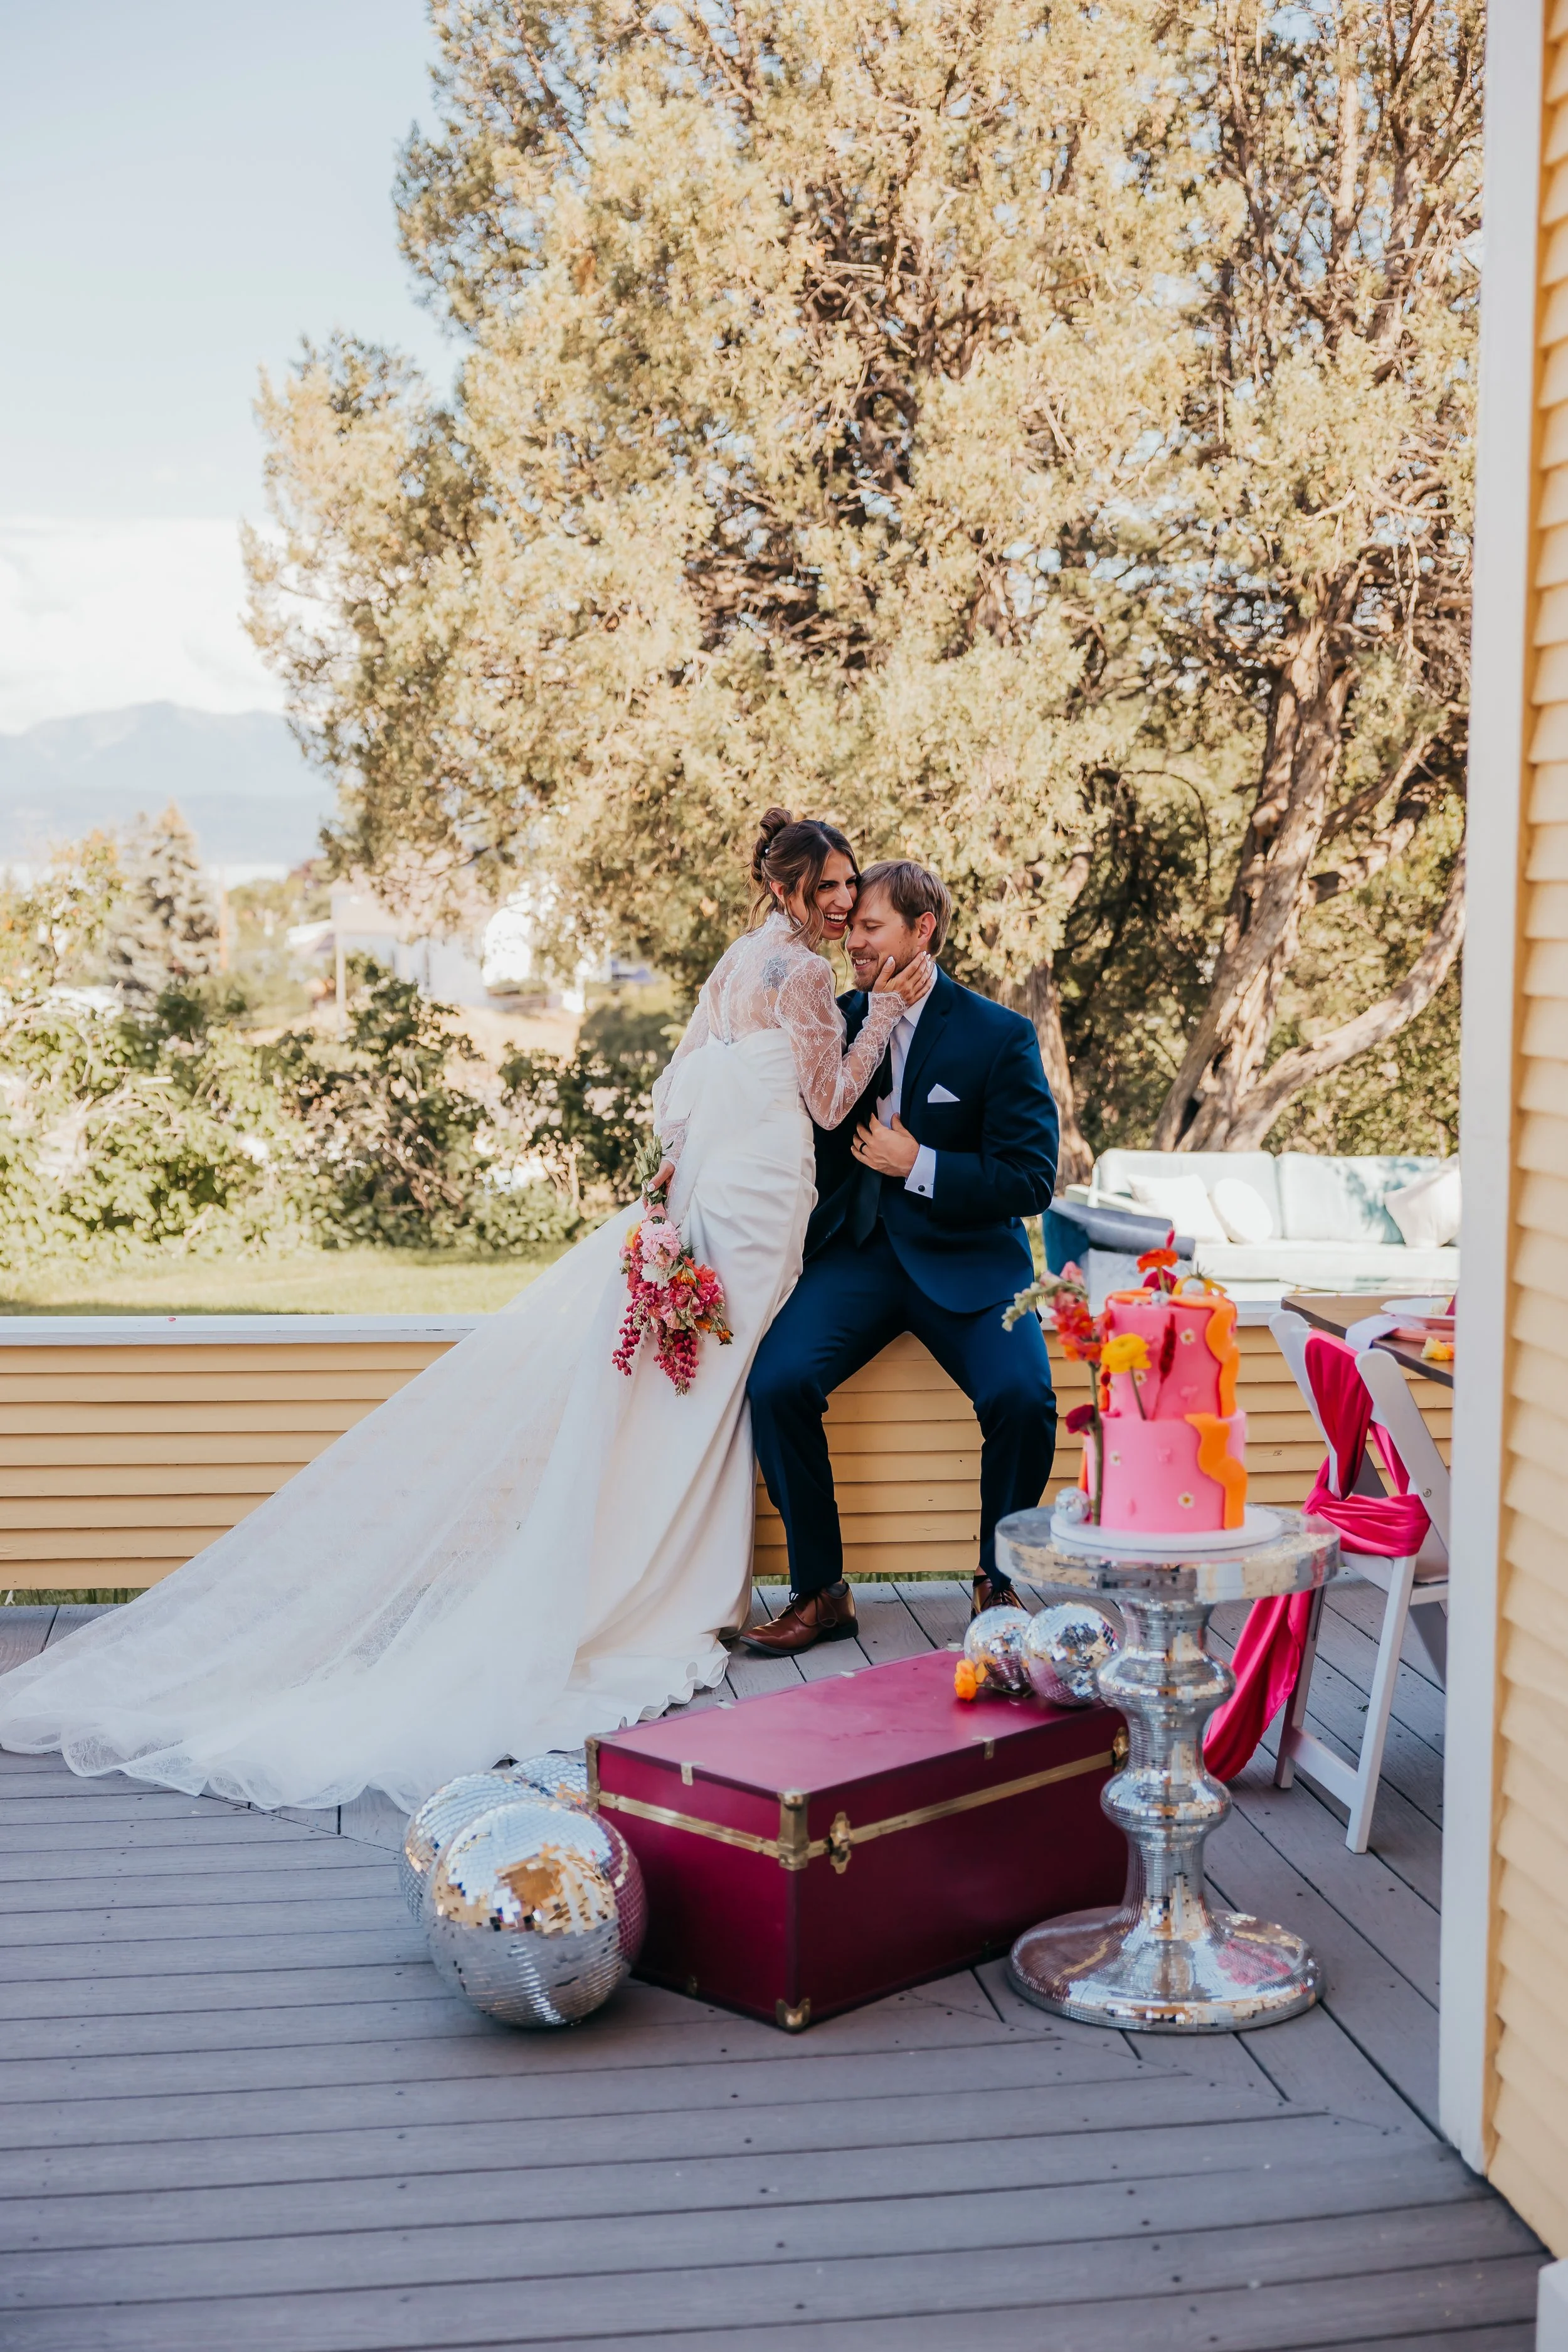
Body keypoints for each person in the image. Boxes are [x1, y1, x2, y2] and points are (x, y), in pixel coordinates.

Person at [0, 813, 930, 1814]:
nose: (844, 902)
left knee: (690, 1392)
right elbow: (834, 1103)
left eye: (850, 888)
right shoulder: (798, 976)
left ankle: (652, 1577)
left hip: (716, 1190)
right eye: (830, 886)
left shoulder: (735, 961)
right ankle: (662, 1591)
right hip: (751, 1206)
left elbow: (675, 1093)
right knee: (704, 1394)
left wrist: (683, 1170)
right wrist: (880, 1009)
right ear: (788, 889)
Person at [743, 860, 1060, 1656]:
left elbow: (1031, 1179)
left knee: (1023, 1396)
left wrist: (918, 1163)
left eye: (870, 926)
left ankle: (996, 1578)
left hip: (970, 1260)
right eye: (848, 926)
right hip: (857, 1257)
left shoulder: (1000, 1034)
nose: (851, 940)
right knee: (776, 1383)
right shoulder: (833, 1018)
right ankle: (821, 1591)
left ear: (923, 931)